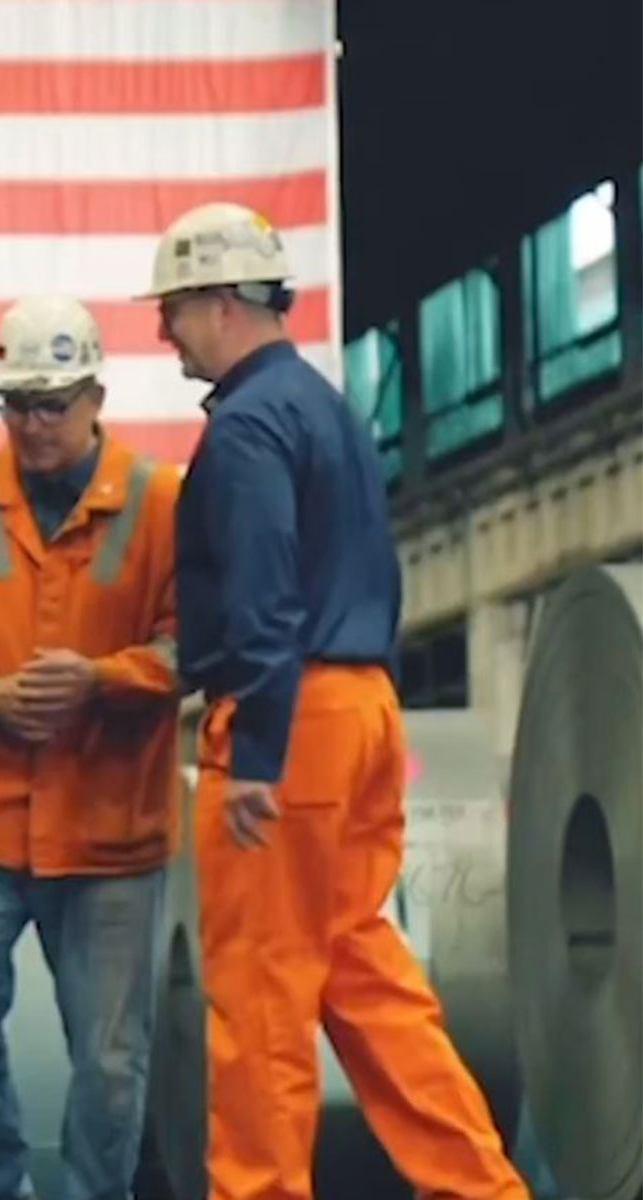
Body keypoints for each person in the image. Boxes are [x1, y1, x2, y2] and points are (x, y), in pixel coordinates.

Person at [143, 202, 529, 1200]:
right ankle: (480, 1188)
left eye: (175, 308)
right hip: (360, 708)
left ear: (225, 303)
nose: (162, 331)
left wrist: (257, 757)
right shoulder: (324, 408)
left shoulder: (246, 428)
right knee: (364, 978)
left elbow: (265, 592)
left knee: (260, 999)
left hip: (290, 720)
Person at [0, 296, 183, 1200]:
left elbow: (197, 643)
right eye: (16, 404)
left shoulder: (163, 503)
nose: (34, 424)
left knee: (112, 1060)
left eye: (52, 403)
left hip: (110, 826)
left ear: (96, 395)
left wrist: (103, 679)